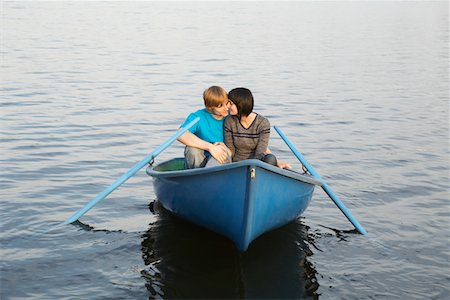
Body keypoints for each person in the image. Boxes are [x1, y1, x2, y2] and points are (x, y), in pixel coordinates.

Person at [177, 86, 232, 168]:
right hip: (201, 158)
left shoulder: (231, 116)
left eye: (227, 103)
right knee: (192, 150)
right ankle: (196, 176)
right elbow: (180, 134)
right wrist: (211, 147)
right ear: (210, 107)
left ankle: (210, 174)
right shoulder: (198, 117)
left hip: (223, 156)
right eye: (220, 106)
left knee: (220, 150)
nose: (226, 108)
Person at [224, 87, 279, 166]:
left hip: (257, 164)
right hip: (237, 165)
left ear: (240, 104)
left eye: (231, 103)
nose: (228, 106)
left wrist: (251, 167)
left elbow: (260, 152)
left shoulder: (262, 123)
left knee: (271, 158)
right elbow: (231, 151)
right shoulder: (229, 121)